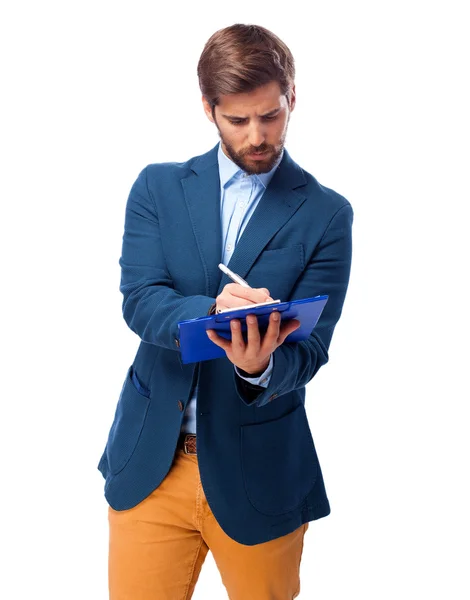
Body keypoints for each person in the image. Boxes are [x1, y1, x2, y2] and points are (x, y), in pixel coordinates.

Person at [97, 23, 353, 600]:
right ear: (209, 109)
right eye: (238, 121)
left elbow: (312, 347)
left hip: (260, 471)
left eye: (272, 115)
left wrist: (258, 368)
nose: (258, 135)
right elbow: (140, 300)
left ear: (293, 97)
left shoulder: (327, 214)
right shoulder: (157, 189)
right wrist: (211, 307)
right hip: (151, 468)